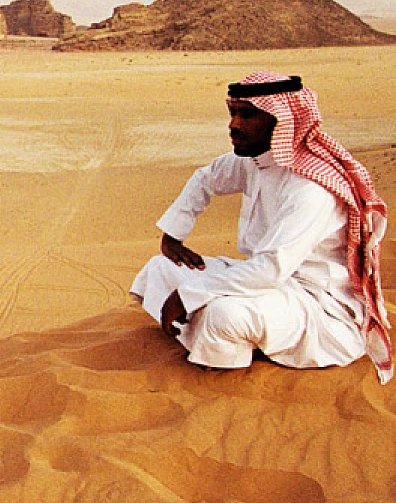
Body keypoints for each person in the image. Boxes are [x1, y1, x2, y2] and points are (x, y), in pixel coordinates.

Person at [130, 71, 391, 383]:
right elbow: (206, 177)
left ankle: (225, 362)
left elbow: (270, 269)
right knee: (159, 269)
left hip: (315, 305)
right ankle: (224, 336)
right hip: (263, 285)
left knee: (222, 315)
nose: (234, 125)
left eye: (248, 115)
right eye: (233, 113)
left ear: (280, 121)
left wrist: (189, 296)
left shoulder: (310, 188)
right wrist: (173, 236)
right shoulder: (257, 160)